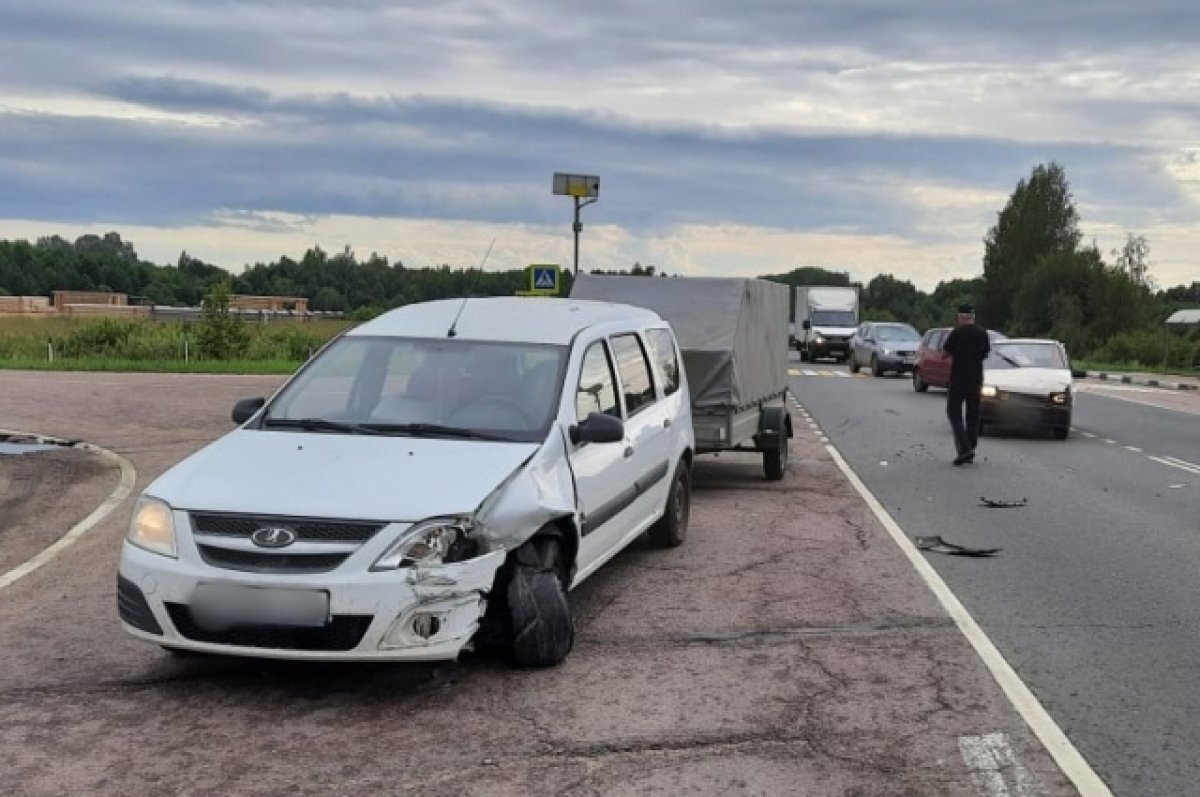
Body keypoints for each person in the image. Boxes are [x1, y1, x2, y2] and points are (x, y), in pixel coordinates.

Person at [942, 303, 990, 465]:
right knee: (973, 414)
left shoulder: (957, 333)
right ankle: (971, 445)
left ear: (961, 317)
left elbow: (945, 352)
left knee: (953, 413)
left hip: (958, 378)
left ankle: (965, 447)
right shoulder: (982, 333)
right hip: (976, 378)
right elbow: (985, 353)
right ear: (973, 317)